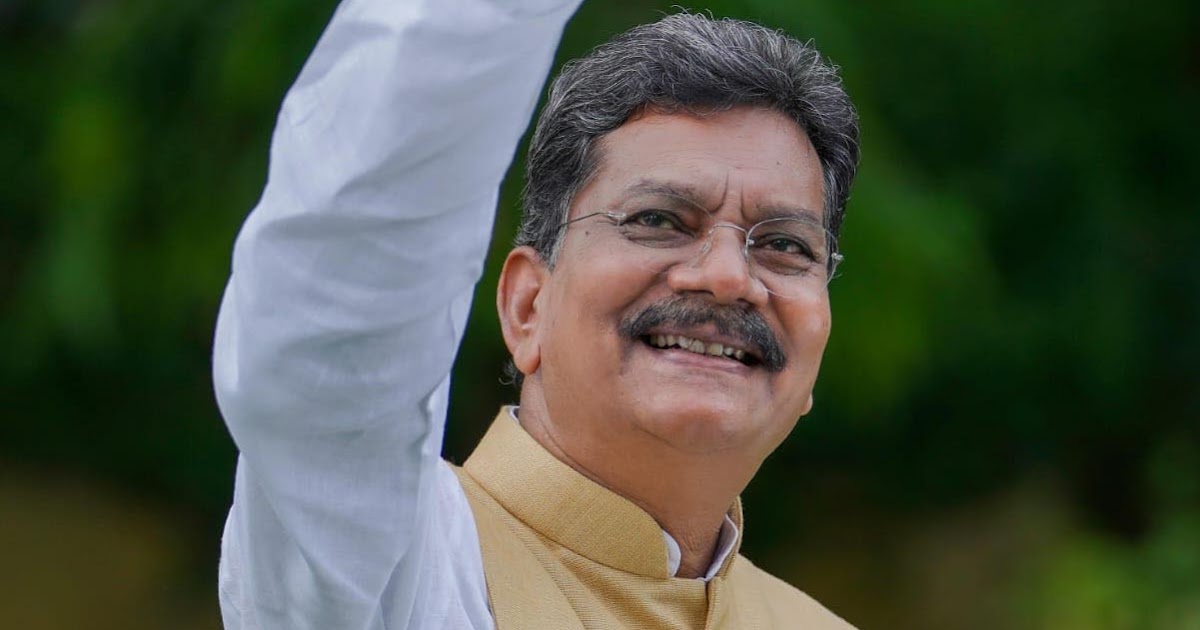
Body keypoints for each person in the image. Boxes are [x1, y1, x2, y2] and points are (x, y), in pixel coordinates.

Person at [212, 0, 860, 627]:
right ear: (528, 305)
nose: (727, 277)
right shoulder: (398, 574)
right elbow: (337, 309)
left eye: (785, 246)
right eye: (659, 220)